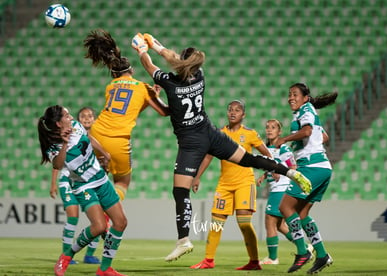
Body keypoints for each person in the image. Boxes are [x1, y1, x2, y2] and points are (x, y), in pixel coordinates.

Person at [131, 32, 312, 262]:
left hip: (191, 143)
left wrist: (142, 50)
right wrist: (156, 45)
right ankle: (290, 172)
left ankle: (183, 240)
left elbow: (149, 66)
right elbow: (175, 58)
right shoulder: (200, 77)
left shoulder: (169, 82)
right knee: (249, 159)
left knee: (180, 191)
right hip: (211, 133)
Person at [38, 105, 128, 276]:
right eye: (66, 115)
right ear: (58, 123)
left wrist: (104, 152)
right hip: (82, 185)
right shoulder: (53, 145)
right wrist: (65, 143)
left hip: (101, 179)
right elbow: (58, 164)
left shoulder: (77, 126)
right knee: (99, 226)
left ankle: (105, 268)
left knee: (121, 222)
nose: (70, 116)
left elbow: (89, 138)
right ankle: (67, 256)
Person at [83, 29, 170, 201]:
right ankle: (107, 213)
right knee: (122, 182)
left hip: (97, 135)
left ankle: (92, 201)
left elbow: (124, 109)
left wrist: (148, 98)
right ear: (132, 71)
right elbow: (164, 111)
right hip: (118, 139)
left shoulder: (111, 86)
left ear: (114, 74)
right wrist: (154, 96)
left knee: (100, 176)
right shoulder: (142, 87)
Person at [189, 100, 270, 270]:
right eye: (230, 110)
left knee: (244, 223)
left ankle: (254, 262)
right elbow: (208, 157)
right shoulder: (219, 134)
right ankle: (208, 260)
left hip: (244, 183)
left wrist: (269, 171)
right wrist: (197, 177)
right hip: (224, 185)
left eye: (237, 110)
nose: (233, 112)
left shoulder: (250, 134)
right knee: (216, 223)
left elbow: (267, 154)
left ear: (243, 114)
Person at [275, 83, 337, 274]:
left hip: (312, 167)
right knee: (302, 215)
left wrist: (285, 139)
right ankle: (322, 254)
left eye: (294, 94)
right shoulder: (306, 111)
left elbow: (308, 131)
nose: (290, 98)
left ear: (305, 97)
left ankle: (303, 251)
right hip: (321, 167)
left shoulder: (306, 110)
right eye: (289, 94)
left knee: (285, 207)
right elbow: (323, 137)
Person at [49, 107, 101, 265]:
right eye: (83, 116)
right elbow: (57, 161)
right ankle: (66, 254)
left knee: (100, 218)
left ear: (94, 119)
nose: (86, 119)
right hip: (68, 180)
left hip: (87, 181)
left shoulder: (92, 139)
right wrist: (53, 184)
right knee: (73, 216)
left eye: (90, 116)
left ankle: (89, 254)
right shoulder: (68, 132)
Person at [256, 119, 298, 265]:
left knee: (269, 220)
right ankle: (305, 247)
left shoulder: (283, 148)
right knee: (280, 226)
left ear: (279, 132)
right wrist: (263, 175)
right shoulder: (267, 149)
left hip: (281, 189)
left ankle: (273, 258)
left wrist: (281, 171)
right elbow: (272, 166)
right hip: (275, 188)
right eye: (267, 127)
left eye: (273, 127)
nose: (269, 130)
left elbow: (293, 167)